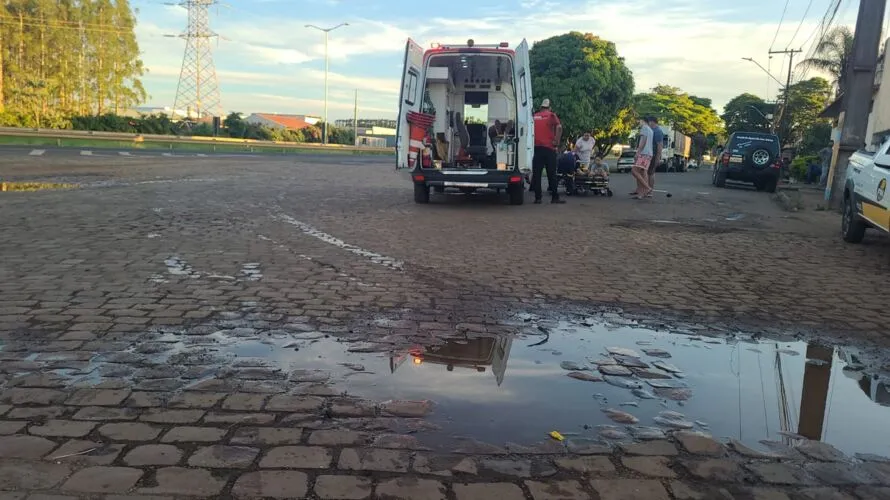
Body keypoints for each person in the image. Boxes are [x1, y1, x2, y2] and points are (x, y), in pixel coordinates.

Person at [532, 98, 565, 204]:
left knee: (537, 174)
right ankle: (554, 197)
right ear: (549, 107)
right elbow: (559, 128)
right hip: (549, 148)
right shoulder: (551, 115)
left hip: (536, 148)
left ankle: (538, 198)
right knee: (552, 174)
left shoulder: (534, 116)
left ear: (541, 107)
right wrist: (556, 141)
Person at [631, 116, 654, 198]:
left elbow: (643, 140)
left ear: (643, 121)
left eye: (639, 121)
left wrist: (638, 152)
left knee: (634, 171)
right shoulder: (651, 130)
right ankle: (642, 192)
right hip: (649, 153)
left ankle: (647, 188)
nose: (639, 123)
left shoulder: (644, 128)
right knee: (643, 172)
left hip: (644, 153)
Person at [648, 117, 664, 189]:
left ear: (652, 122)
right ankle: (646, 189)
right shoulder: (652, 130)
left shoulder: (658, 131)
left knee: (651, 173)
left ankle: (650, 190)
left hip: (653, 154)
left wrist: (658, 157)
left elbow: (659, 145)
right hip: (650, 154)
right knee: (647, 172)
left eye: (649, 122)